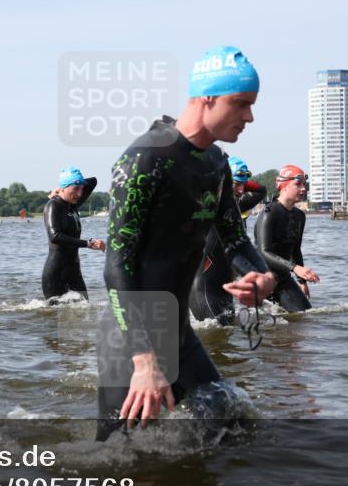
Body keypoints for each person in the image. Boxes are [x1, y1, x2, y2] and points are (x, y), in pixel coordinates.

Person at [98, 45, 275, 440]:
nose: (250, 116)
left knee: (237, 428)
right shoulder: (146, 157)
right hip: (130, 338)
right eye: (240, 104)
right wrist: (144, 362)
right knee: (123, 460)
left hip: (179, 335)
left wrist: (260, 275)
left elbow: (234, 240)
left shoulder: (216, 163)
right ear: (207, 97)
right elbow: (116, 265)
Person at [189, 155, 267, 325]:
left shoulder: (236, 206)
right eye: (237, 185)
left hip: (225, 293)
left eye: (243, 185)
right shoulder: (210, 208)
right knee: (214, 344)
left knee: (227, 346)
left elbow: (262, 190)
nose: (241, 190)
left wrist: (241, 180)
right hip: (204, 292)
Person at [254, 165, 319, 313]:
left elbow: (295, 250)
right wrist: (296, 268)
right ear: (283, 186)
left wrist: (302, 281)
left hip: (283, 277)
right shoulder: (269, 212)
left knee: (303, 316)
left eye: (304, 184)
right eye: (298, 184)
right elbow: (263, 252)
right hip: (262, 278)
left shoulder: (299, 216)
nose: (303, 189)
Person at [42, 167, 103, 300]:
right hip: (56, 272)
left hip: (74, 270)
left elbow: (93, 181)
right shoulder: (53, 205)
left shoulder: (73, 205)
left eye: (81, 188)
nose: (80, 193)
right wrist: (87, 243)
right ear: (63, 187)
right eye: (76, 189)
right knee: (56, 316)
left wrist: (77, 182)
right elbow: (55, 236)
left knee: (84, 310)